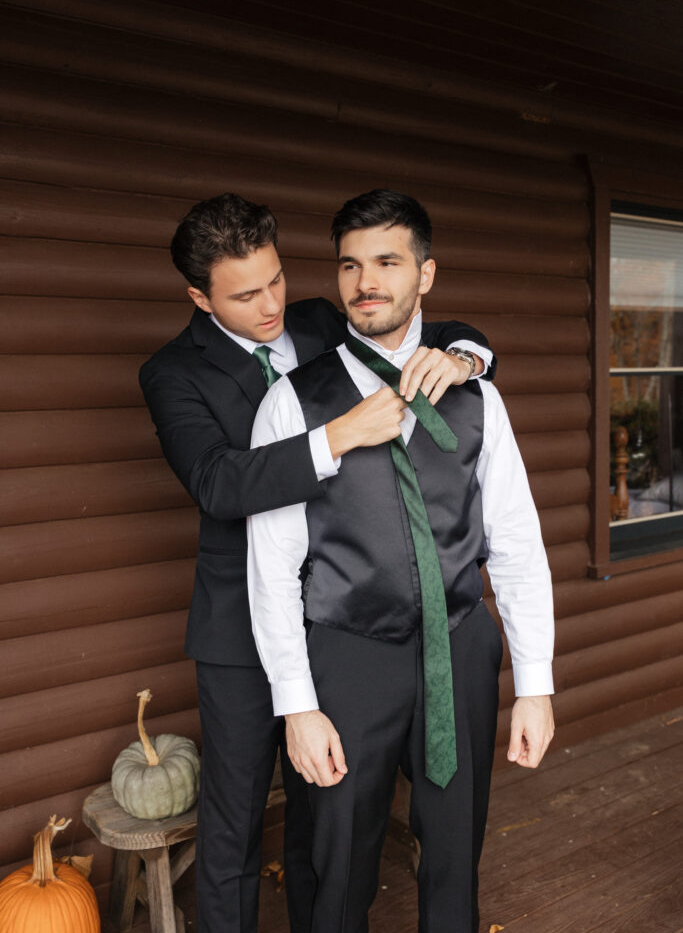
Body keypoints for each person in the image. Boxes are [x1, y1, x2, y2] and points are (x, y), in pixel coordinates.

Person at [139, 192, 495, 933]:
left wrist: (463, 359)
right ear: (199, 298)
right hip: (241, 629)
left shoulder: (314, 318)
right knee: (235, 822)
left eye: (274, 279)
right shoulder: (171, 373)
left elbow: (435, 324)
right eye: (244, 294)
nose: (270, 305)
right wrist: (336, 437)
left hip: (337, 627)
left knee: (320, 814)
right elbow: (217, 483)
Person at [248, 189, 555, 933]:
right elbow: (271, 566)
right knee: (338, 859)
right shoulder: (295, 403)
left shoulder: (477, 397)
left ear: (425, 275)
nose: (365, 283)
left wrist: (535, 684)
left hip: (461, 642)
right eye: (350, 265)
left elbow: (515, 542)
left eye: (387, 262)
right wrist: (297, 705)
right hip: (348, 659)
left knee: (454, 850)